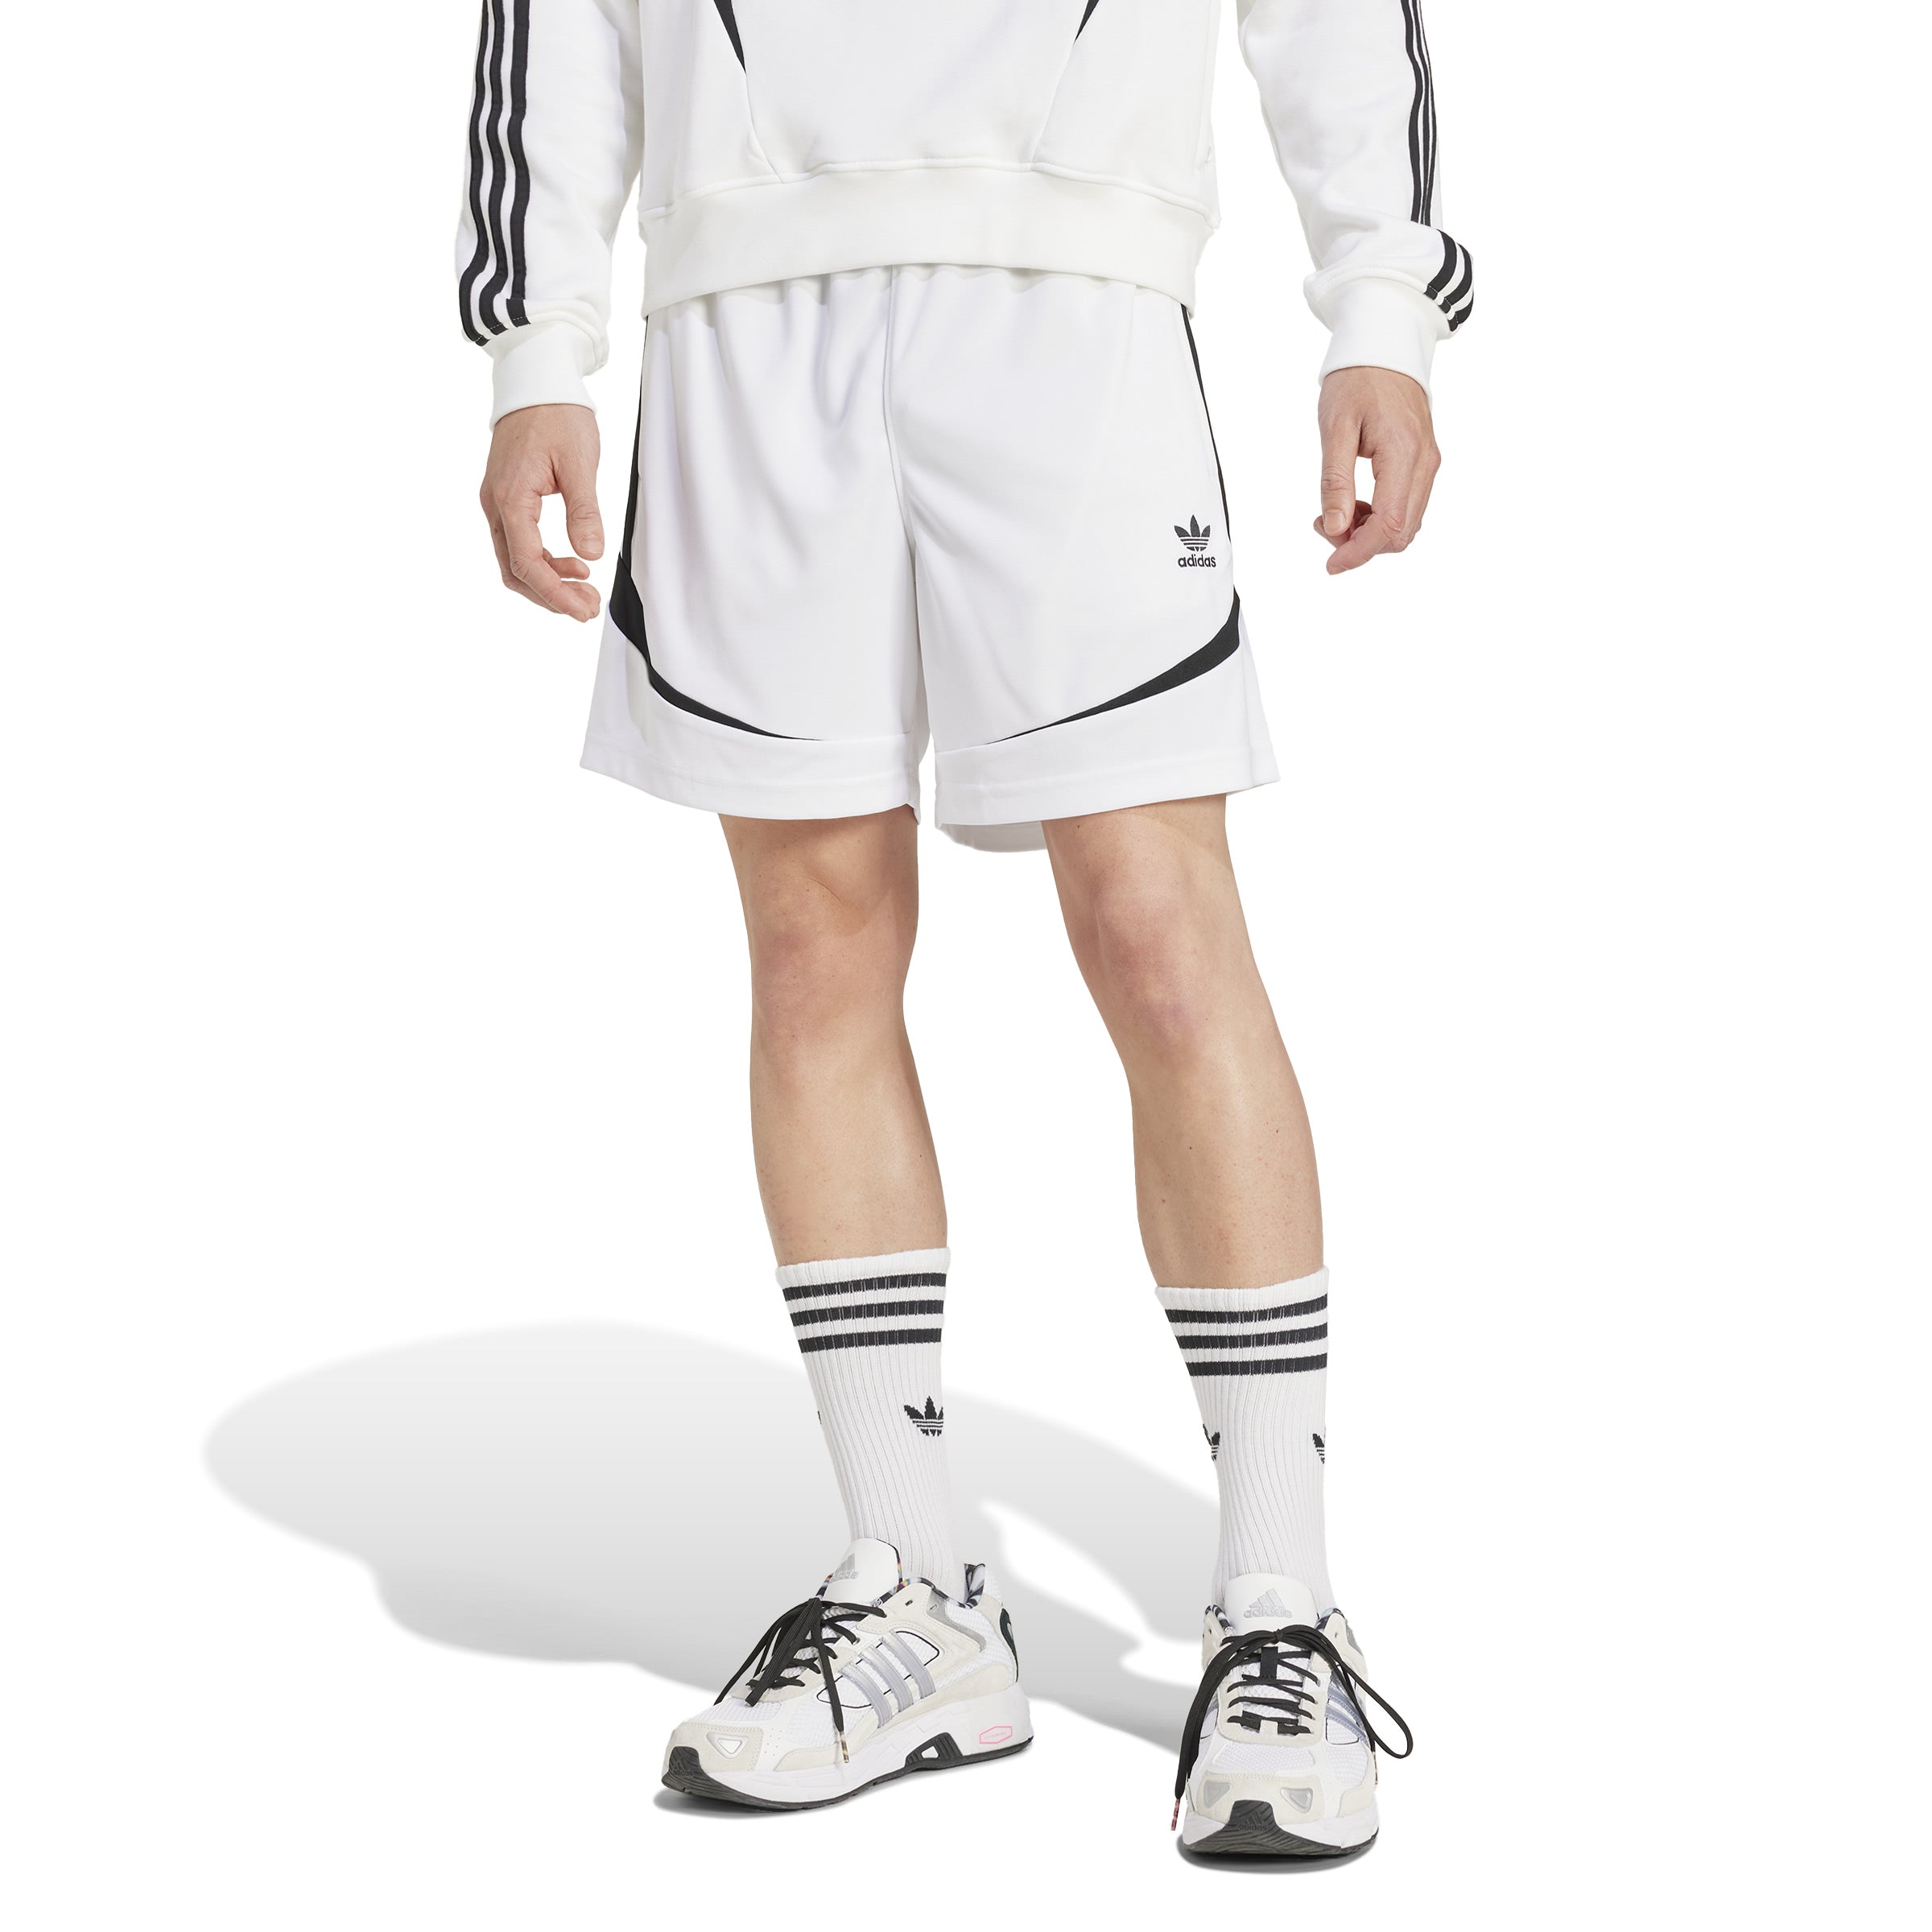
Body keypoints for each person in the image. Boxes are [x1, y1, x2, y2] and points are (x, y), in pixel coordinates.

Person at [460, 0, 1463, 1858]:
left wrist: (1380, 306)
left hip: (1072, 295)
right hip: (747, 306)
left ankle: (1283, 1607)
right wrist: (539, 347)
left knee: (1157, 923)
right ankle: (917, 1589)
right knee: (813, 940)